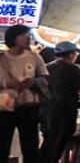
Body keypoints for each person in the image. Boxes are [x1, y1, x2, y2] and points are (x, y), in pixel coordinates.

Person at [0, 24, 48, 163]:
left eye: (29, 35)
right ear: (13, 38)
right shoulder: (2, 58)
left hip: (29, 105)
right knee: (2, 144)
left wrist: (32, 82)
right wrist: (8, 84)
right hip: (4, 107)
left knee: (30, 145)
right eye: (24, 35)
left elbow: (45, 78)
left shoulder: (35, 57)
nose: (28, 38)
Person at [40, 41, 80, 163]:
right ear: (71, 54)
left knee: (49, 140)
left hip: (46, 110)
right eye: (76, 53)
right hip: (65, 110)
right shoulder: (73, 69)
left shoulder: (46, 67)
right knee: (58, 143)